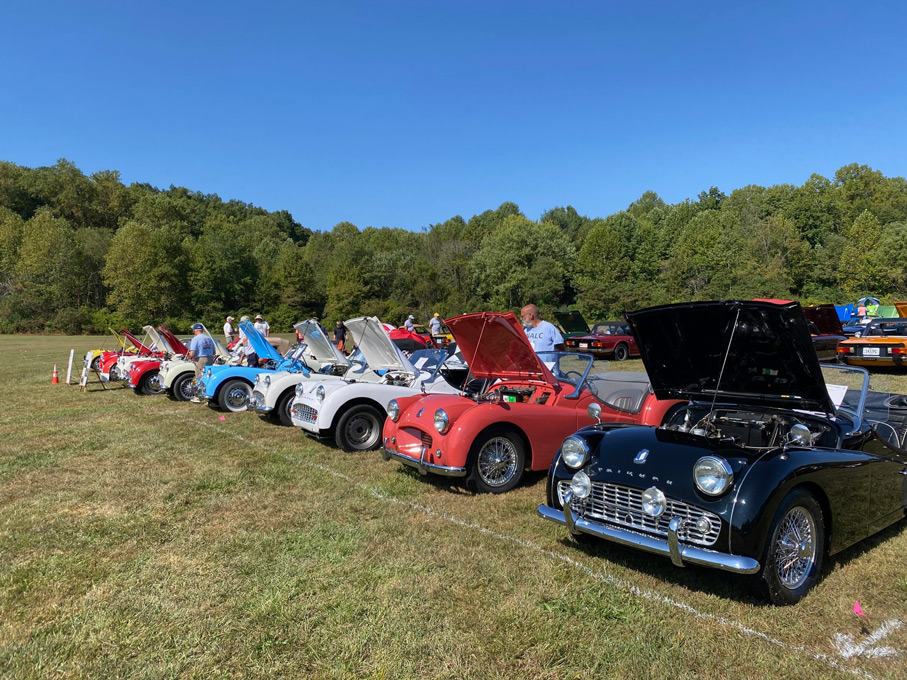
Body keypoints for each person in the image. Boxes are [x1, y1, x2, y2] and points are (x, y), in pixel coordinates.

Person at [187, 323, 216, 402]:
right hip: (210, 358)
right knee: (208, 377)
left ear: (195, 331)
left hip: (201, 359)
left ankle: (199, 396)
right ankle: (209, 395)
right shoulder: (208, 338)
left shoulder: (195, 339)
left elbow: (193, 353)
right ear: (202, 330)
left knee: (199, 377)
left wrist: (188, 356)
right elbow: (214, 351)